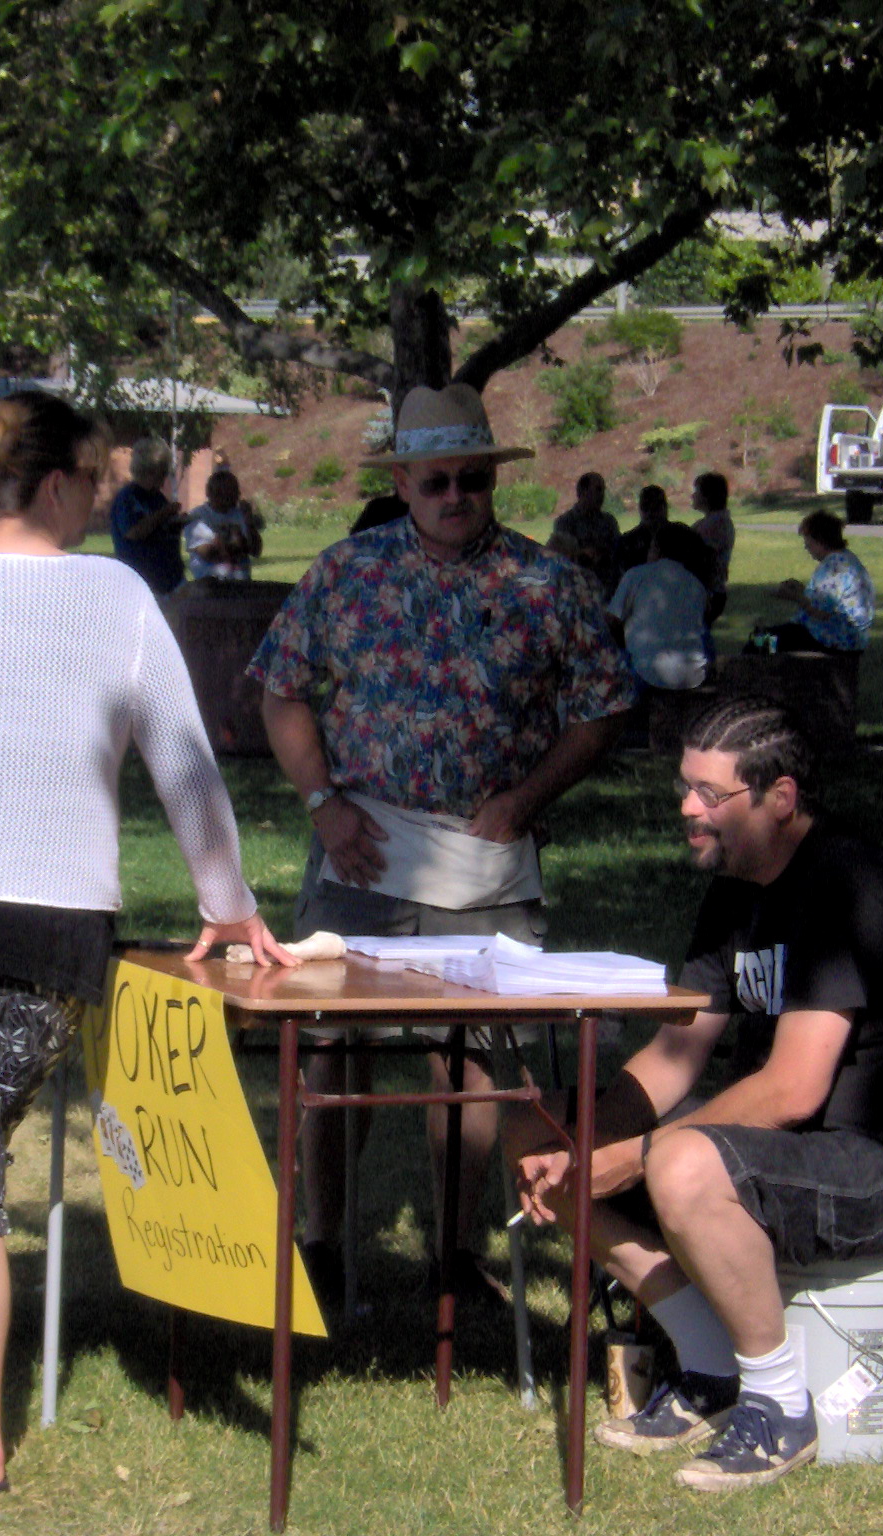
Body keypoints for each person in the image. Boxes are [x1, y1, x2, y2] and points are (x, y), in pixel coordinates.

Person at [0, 390, 297, 1491]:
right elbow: (184, 763)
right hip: (54, 925)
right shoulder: (117, 596)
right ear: (52, 485)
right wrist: (226, 898)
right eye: (92, 480)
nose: (99, 498)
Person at [506, 697, 883, 1491]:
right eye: (684, 788)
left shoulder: (842, 884)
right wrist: (581, 1145)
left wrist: (634, 1158)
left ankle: (779, 1406)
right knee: (541, 1132)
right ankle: (711, 1366)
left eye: (710, 794)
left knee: (681, 1164)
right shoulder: (738, 884)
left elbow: (793, 1089)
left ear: (781, 797)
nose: (687, 809)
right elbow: (676, 1054)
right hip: (807, 1148)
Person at [250, 381, 632, 1305]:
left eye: (472, 479)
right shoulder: (346, 572)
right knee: (332, 1050)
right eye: (435, 482)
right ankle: (321, 1245)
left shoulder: (549, 584)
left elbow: (604, 709)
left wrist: (528, 797)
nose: (456, 496)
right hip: (364, 851)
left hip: (488, 857)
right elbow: (281, 689)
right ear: (403, 483)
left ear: (492, 478)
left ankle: (454, 1255)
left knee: (473, 1061)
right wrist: (321, 802)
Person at [609, 521, 711, 694]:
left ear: (657, 549)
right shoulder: (696, 584)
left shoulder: (636, 575)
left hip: (646, 673)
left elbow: (612, 621)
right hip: (692, 676)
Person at [762, 511, 872, 654]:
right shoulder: (846, 558)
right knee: (771, 637)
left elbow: (821, 612)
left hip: (832, 639)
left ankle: (752, 667)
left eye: (808, 541)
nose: (806, 546)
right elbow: (827, 598)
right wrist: (802, 590)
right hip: (850, 638)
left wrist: (795, 597)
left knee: (760, 641)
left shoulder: (834, 565)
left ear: (820, 540)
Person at [108, 437, 184, 594]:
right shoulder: (128, 498)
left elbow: (164, 529)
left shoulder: (158, 498)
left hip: (169, 581)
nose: (163, 482)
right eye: (160, 475)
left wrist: (177, 523)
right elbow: (133, 531)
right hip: (141, 583)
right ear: (147, 471)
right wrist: (164, 514)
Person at [621, 485, 715, 591]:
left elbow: (703, 569)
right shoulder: (628, 541)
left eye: (656, 507)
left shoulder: (684, 536)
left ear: (665, 508)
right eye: (646, 507)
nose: (650, 512)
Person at [550, 471, 624, 599]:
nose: (602, 495)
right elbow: (562, 556)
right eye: (598, 490)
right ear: (583, 492)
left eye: (603, 490)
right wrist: (583, 553)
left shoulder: (608, 521)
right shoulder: (565, 522)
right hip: (579, 587)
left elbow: (619, 549)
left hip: (609, 586)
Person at [183, 467, 263, 581]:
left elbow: (256, 551)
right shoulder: (198, 516)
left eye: (236, 491)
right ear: (213, 493)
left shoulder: (240, 514)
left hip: (241, 582)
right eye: (231, 491)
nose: (238, 495)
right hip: (210, 583)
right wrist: (240, 547)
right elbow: (208, 554)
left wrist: (249, 522)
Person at [691, 472, 736, 626]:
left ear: (707, 496)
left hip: (709, 593)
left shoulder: (716, 524)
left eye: (697, 491)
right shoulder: (709, 522)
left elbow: (700, 558)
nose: (692, 496)